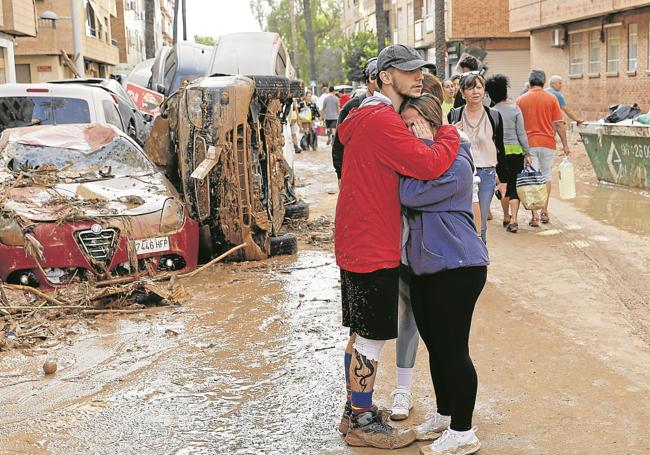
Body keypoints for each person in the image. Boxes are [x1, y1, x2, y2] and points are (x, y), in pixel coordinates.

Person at [336, 44, 459, 449]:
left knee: (360, 333)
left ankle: (357, 411)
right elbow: (429, 165)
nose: (418, 76)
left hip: (358, 237)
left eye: (420, 70)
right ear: (386, 76)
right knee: (370, 337)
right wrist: (447, 133)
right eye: (409, 71)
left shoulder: (363, 115)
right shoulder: (382, 119)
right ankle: (362, 422)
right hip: (372, 241)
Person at [399, 93, 488, 455]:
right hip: (426, 266)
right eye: (403, 125)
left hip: (458, 266)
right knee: (437, 346)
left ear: (433, 123)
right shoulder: (419, 158)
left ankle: (464, 432)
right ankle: (445, 414)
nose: (408, 131)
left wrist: (422, 148)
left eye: (415, 124)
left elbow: (410, 193)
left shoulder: (457, 161)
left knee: (453, 350)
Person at [449, 73, 506, 243]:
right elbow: (446, 146)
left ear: (484, 90)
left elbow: (500, 148)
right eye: (470, 88)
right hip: (462, 173)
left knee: (480, 222)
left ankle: (479, 260)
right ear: (462, 92)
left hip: (486, 174)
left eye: (479, 87)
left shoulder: (494, 115)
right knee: (462, 218)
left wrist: (502, 179)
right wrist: (451, 131)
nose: (475, 91)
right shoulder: (455, 115)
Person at [516, 69, 570, 226]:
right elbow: (559, 124)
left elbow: (517, 125)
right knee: (546, 176)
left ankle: (535, 215)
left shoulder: (521, 100)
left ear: (530, 81)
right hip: (547, 144)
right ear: (544, 82)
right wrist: (565, 145)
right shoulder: (552, 99)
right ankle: (545, 211)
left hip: (528, 145)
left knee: (533, 177)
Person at [485, 74, 531, 233]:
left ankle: (506, 216)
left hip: (498, 155)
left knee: (503, 183)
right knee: (513, 186)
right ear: (505, 91)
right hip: (516, 153)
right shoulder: (515, 109)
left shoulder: (490, 112)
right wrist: (527, 153)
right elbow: (522, 134)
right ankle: (515, 220)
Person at [332, 58, 378, 183]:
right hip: (357, 173)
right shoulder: (353, 106)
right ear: (369, 78)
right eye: (375, 76)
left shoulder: (395, 104)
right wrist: (340, 174)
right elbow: (339, 143)